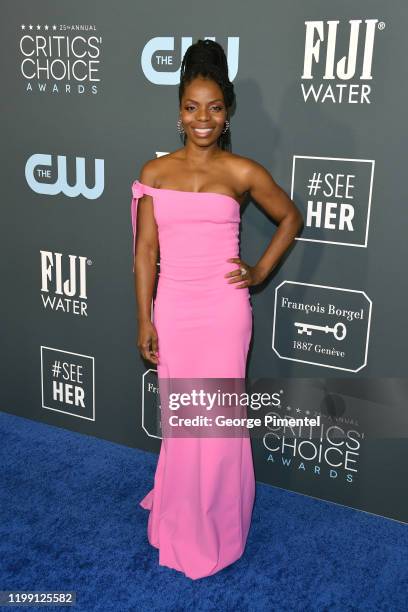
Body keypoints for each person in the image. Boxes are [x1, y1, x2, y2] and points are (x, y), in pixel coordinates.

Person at [131, 39, 303, 580]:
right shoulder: (154, 172)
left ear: (227, 114)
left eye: (214, 107)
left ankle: (221, 523)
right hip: (175, 306)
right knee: (185, 420)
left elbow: (291, 218)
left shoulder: (243, 172)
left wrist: (259, 272)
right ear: (178, 112)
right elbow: (146, 253)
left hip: (225, 309)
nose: (202, 118)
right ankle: (181, 511)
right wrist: (145, 317)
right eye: (191, 107)